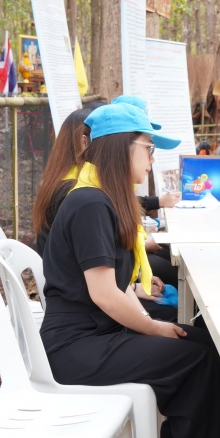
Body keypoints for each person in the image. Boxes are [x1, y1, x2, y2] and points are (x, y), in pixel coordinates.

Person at [39, 102, 220, 438]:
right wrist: (153, 328)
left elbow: (119, 286)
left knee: (204, 343)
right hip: (74, 347)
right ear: (121, 147)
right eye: (148, 148)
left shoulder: (104, 197)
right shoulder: (90, 203)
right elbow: (105, 295)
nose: (152, 159)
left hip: (99, 332)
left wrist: (151, 323)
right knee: (195, 358)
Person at [31, 100, 177, 321]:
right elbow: (92, 274)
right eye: (148, 147)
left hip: (93, 307)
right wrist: (148, 318)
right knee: (175, 297)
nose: (152, 158)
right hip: (88, 315)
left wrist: (134, 293)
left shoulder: (83, 188)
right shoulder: (84, 198)